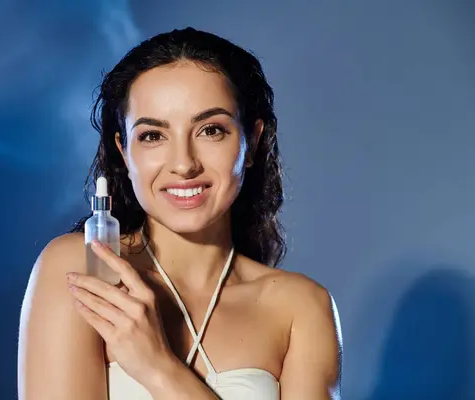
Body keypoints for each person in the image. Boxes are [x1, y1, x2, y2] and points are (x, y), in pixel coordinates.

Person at [18, 27, 342, 399]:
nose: (184, 164)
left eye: (210, 130)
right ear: (124, 152)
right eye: (153, 136)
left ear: (251, 142)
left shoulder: (300, 308)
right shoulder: (86, 267)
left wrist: (158, 368)